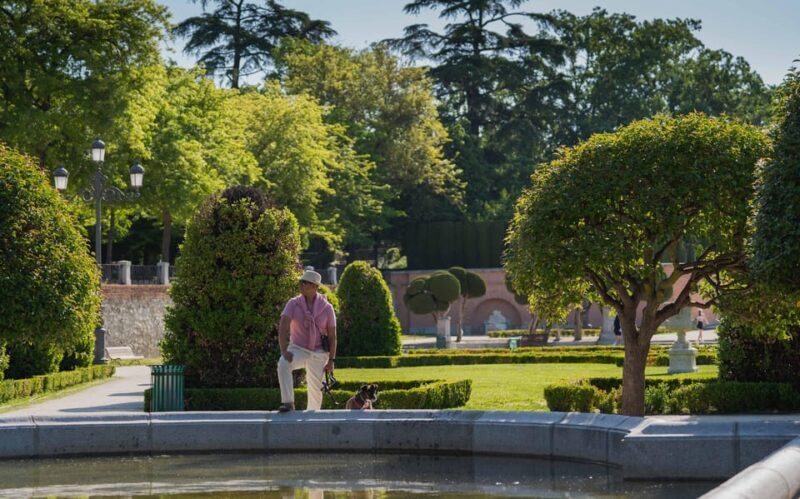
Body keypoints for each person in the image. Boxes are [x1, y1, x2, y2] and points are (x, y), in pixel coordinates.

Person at [277, 269, 337, 412]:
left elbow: (333, 337)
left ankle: (312, 418)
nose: (301, 285)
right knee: (283, 364)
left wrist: (331, 361)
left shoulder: (327, 308)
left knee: (315, 389)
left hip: (319, 352)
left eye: (304, 282)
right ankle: (288, 403)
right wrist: (284, 350)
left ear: (315, 286)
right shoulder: (293, 304)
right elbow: (283, 328)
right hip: (298, 349)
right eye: (301, 282)